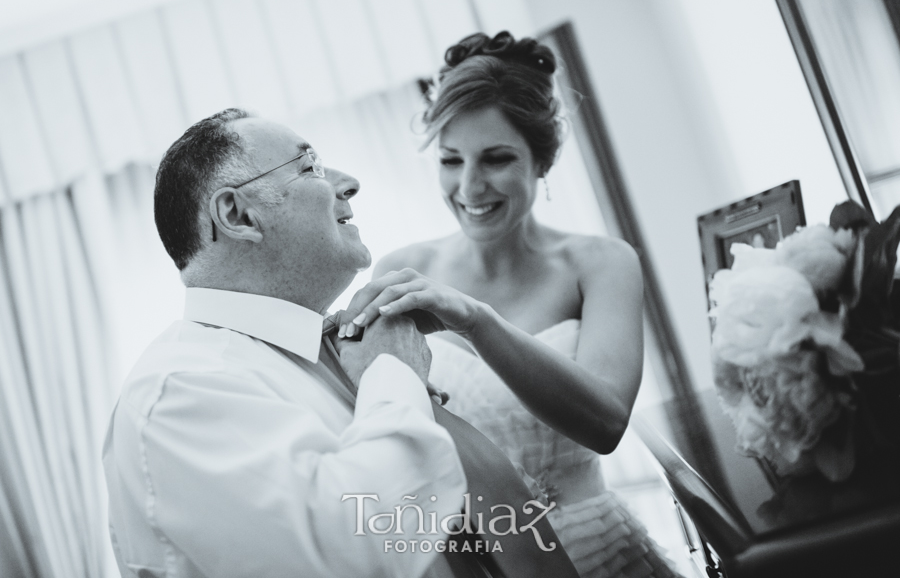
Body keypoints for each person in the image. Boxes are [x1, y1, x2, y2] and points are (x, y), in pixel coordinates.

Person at [102, 108, 579, 578]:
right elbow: (355, 549)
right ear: (238, 214)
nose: (348, 182)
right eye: (309, 167)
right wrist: (394, 376)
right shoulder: (180, 391)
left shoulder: (345, 349)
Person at [337, 32, 681, 578]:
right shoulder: (402, 268)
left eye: (496, 159)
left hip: (601, 552)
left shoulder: (602, 264)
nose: (470, 186)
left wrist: (475, 321)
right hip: (482, 560)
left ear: (541, 161)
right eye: (451, 160)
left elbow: (607, 424)